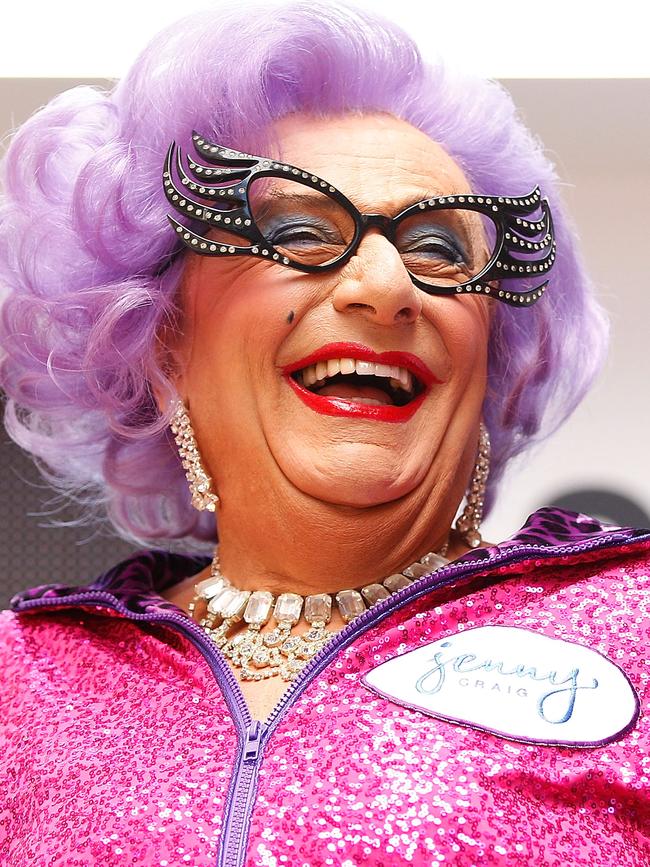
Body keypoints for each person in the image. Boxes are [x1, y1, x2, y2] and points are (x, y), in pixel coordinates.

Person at [1, 3, 648, 865]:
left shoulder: (632, 624)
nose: (385, 285)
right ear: (162, 344)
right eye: (298, 232)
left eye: (439, 249)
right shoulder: (25, 683)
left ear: (490, 356)